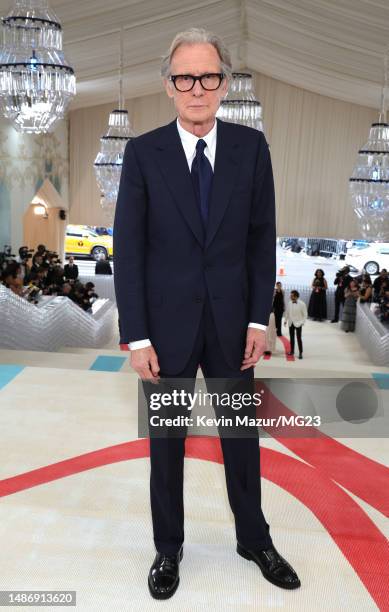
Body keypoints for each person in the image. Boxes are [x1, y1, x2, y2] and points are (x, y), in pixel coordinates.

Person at [113, 27, 300, 600]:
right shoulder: (143, 154)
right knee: (165, 446)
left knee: (242, 440)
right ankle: (167, 550)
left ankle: (254, 539)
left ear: (224, 84)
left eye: (209, 76)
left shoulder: (251, 149)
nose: (197, 88)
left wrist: (255, 322)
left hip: (231, 329)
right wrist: (137, 335)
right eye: (185, 77)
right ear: (169, 86)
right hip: (164, 332)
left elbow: (259, 240)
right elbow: (130, 248)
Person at [283, 290, 307, 359]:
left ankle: (300, 353)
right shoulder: (289, 303)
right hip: (291, 323)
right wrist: (285, 321)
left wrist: (302, 322)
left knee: (299, 338)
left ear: (296, 296)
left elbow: (305, 314)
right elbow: (287, 312)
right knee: (292, 338)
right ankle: (292, 351)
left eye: (292, 295)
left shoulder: (302, 304)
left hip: (298, 323)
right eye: (290, 295)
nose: (290, 296)